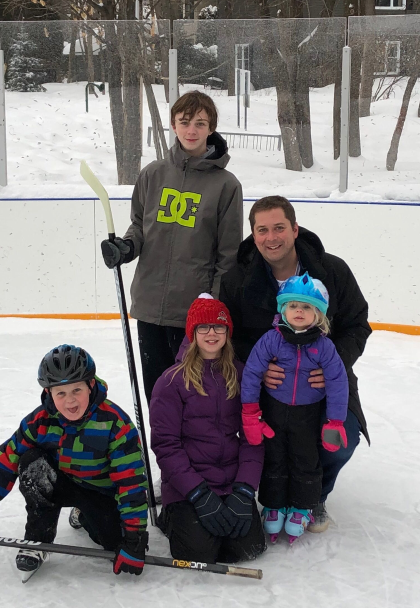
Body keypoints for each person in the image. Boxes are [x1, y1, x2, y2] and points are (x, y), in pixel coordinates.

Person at [219, 195, 371, 533]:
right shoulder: (236, 280)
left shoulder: (332, 270)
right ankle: (270, 496)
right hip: (265, 388)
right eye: (263, 230)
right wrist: (253, 366)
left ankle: (314, 495)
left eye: (278, 228)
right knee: (252, 438)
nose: (271, 238)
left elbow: (358, 324)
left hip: (323, 383)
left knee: (340, 436)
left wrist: (331, 363)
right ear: (254, 235)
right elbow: (227, 336)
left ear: (295, 229)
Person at [0, 344, 149, 579]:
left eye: (77, 390)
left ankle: (83, 514)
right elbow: (3, 468)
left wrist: (135, 537)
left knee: (113, 542)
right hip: (60, 482)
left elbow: (131, 483)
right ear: (49, 393)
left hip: (101, 493)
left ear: (91, 385)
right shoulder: (38, 421)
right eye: (60, 393)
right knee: (31, 463)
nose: (70, 401)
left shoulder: (115, 424)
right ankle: (37, 539)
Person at [100, 90, 244, 401]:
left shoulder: (226, 185)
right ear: (173, 125)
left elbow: (229, 253)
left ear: (211, 128)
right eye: (185, 122)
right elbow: (139, 225)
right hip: (150, 303)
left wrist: (214, 304)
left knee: (194, 397)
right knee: (158, 396)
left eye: (201, 123)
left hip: (194, 311)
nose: (192, 130)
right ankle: (163, 451)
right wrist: (126, 248)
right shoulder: (153, 173)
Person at [149, 294, 266, 564]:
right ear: (192, 332)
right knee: (198, 554)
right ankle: (172, 516)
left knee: (248, 549)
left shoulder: (241, 374)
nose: (211, 333)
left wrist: (245, 489)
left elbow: (253, 436)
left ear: (227, 331)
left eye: (219, 327)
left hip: (230, 481)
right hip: (188, 485)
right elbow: (166, 446)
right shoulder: (170, 382)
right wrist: (198, 494)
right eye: (203, 327)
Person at [240, 274, 349, 544]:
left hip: (307, 415)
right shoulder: (271, 340)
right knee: (274, 455)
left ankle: (302, 507)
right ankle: (273, 505)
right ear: (283, 310)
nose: (299, 311)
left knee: (304, 459)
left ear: (318, 314)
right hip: (274, 410)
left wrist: (335, 422)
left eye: (307, 307)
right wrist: (250, 413)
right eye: (293, 305)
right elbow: (252, 373)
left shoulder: (324, 346)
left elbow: (337, 381)